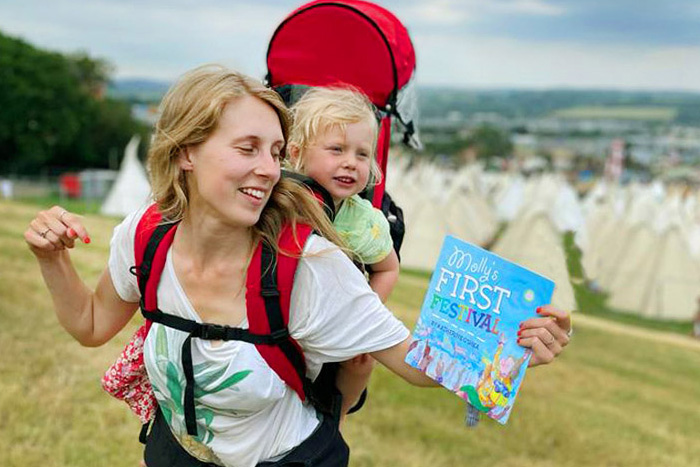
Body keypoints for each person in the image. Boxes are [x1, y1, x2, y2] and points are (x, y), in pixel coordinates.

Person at [24, 64, 572, 467]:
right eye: (247, 148)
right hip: (176, 453)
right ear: (186, 151)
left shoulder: (307, 265)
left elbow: (413, 361)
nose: (268, 169)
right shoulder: (146, 235)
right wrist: (52, 260)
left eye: (275, 150)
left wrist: (508, 348)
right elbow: (90, 325)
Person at [286, 86, 399, 421]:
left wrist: (364, 313)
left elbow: (387, 269)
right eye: (337, 150)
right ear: (297, 153)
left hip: (331, 324)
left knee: (361, 363)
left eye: (362, 155)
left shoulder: (364, 222)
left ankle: (330, 424)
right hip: (278, 316)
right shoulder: (278, 199)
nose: (351, 162)